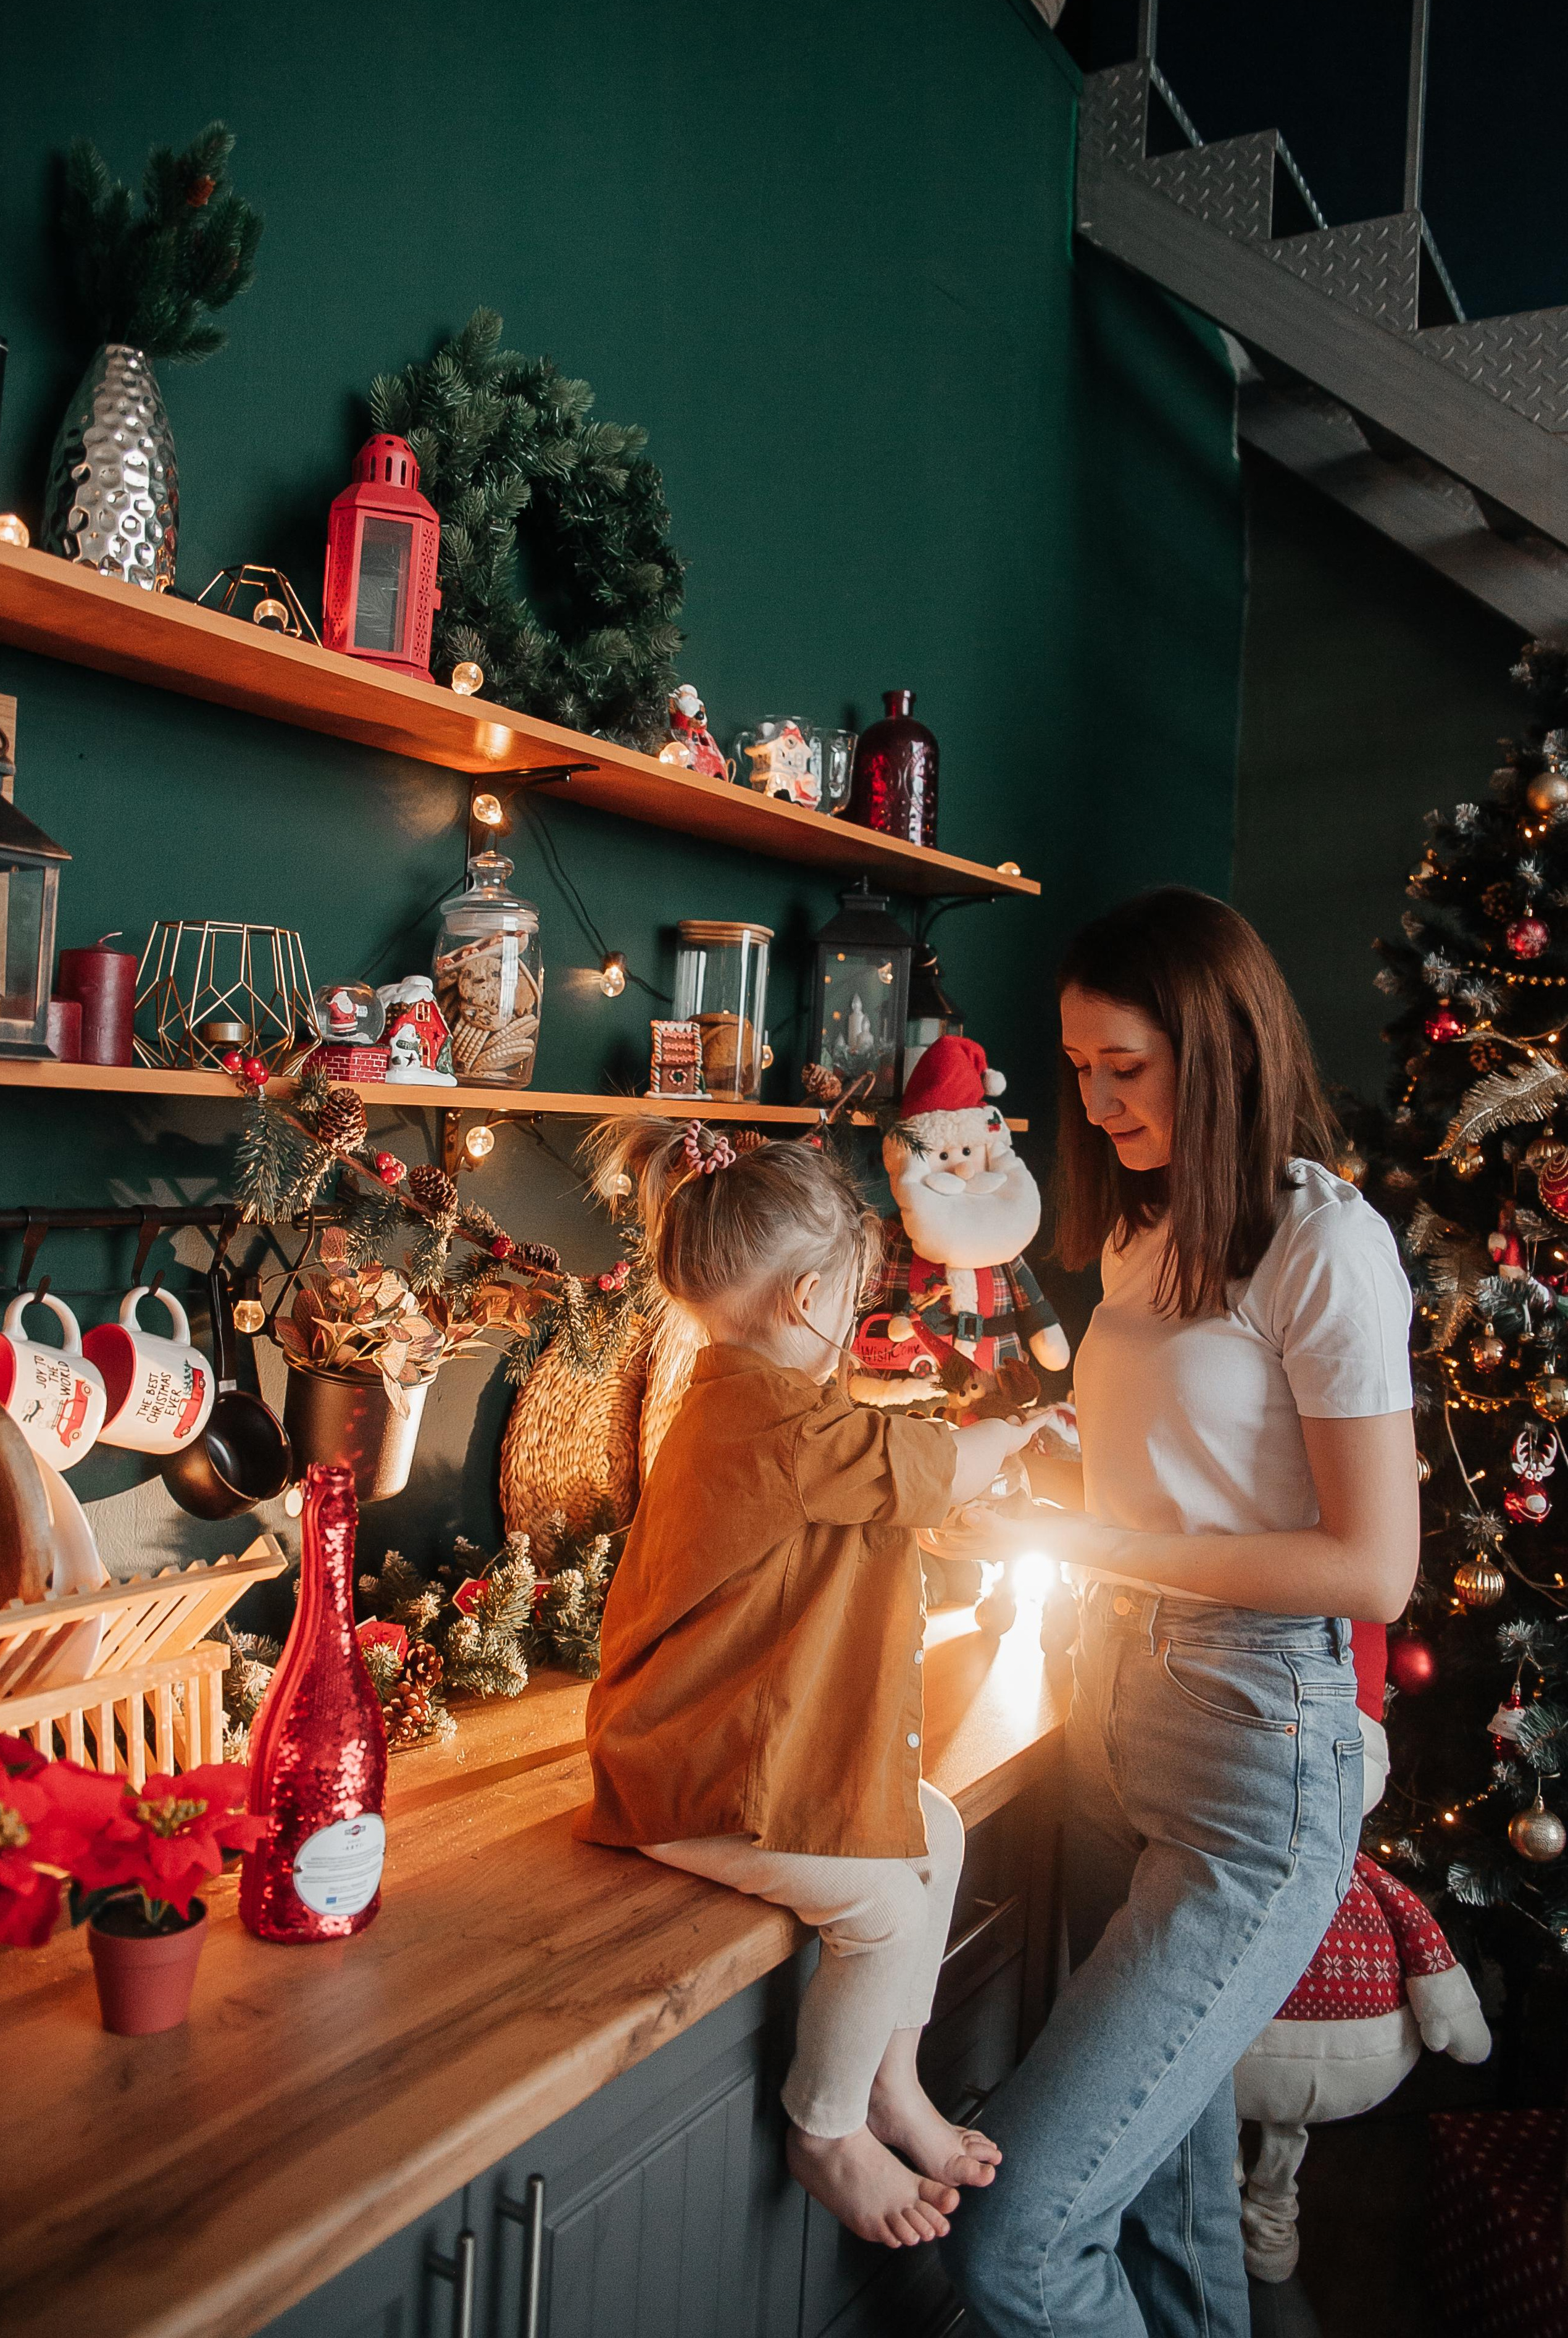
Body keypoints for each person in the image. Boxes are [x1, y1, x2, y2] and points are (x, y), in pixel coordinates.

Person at [943, 887, 1419, 2338]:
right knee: (1168, 2187)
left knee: (1015, 2239)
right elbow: (1194, 1483)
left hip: (1253, 1756)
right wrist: (1034, 1463)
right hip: (1115, 1710)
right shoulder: (1149, 1238)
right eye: (1077, 1070)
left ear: (1213, 1045)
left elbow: (1366, 1569)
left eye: (1123, 1069)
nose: (1091, 1104)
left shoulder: (1323, 1249)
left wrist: (1087, 1534)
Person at [575, 1116, 1054, 2250]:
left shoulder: (753, 1402)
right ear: (807, 1302)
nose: (854, 1318)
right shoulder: (777, 1422)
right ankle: (829, 2124)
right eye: (851, 1295)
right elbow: (920, 1468)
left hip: (731, 1738)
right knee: (886, 1909)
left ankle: (892, 2078)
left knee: (930, 1825)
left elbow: (861, 1486)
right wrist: (1023, 1430)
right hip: (692, 1768)